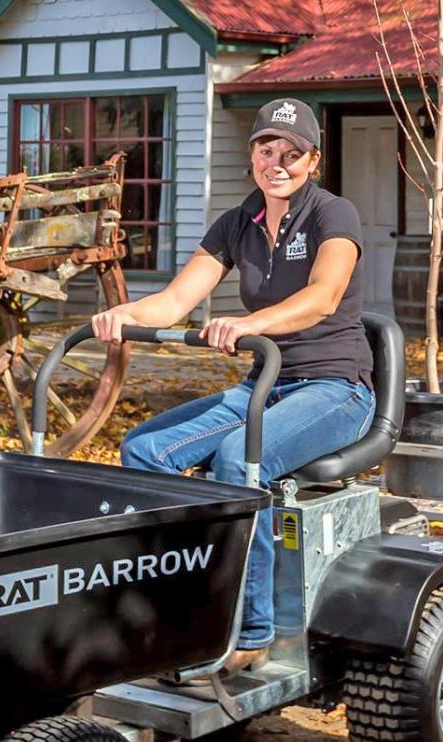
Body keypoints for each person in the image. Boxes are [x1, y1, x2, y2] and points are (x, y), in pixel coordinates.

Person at [92, 97, 375, 672]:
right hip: (264, 386)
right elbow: (175, 300)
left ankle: (250, 632)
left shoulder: (332, 214)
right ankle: (182, 607)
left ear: (313, 161)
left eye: (292, 154)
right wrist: (124, 315)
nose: (279, 163)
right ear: (251, 156)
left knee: (236, 461)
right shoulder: (236, 223)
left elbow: (322, 296)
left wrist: (248, 324)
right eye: (267, 150)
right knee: (144, 452)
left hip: (334, 387)